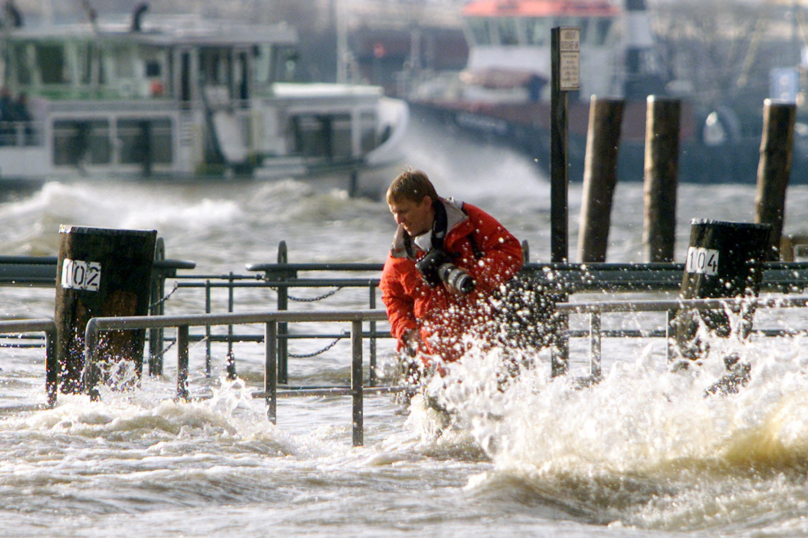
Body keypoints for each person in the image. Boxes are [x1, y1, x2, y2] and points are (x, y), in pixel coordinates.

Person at [380, 169, 525, 380]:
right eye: (394, 212)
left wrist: (474, 274)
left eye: (404, 211)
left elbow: (511, 251)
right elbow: (391, 295)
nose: (398, 220)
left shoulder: (466, 219)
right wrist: (407, 331)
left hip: (483, 353)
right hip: (433, 365)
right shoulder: (402, 249)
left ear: (426, 203)